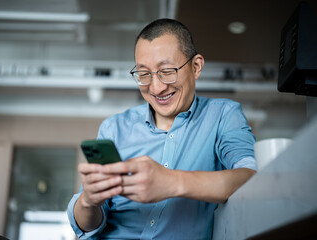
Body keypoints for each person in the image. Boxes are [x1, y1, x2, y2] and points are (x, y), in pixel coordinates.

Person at [67, 18, 256, 240]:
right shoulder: (114, 128)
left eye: (167, 71)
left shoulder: (223, 115)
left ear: (196, 67)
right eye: (144, 74)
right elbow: (86, 226)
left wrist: (172, 182)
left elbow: (251, 177)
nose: (156, 88)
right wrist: (88, 201)